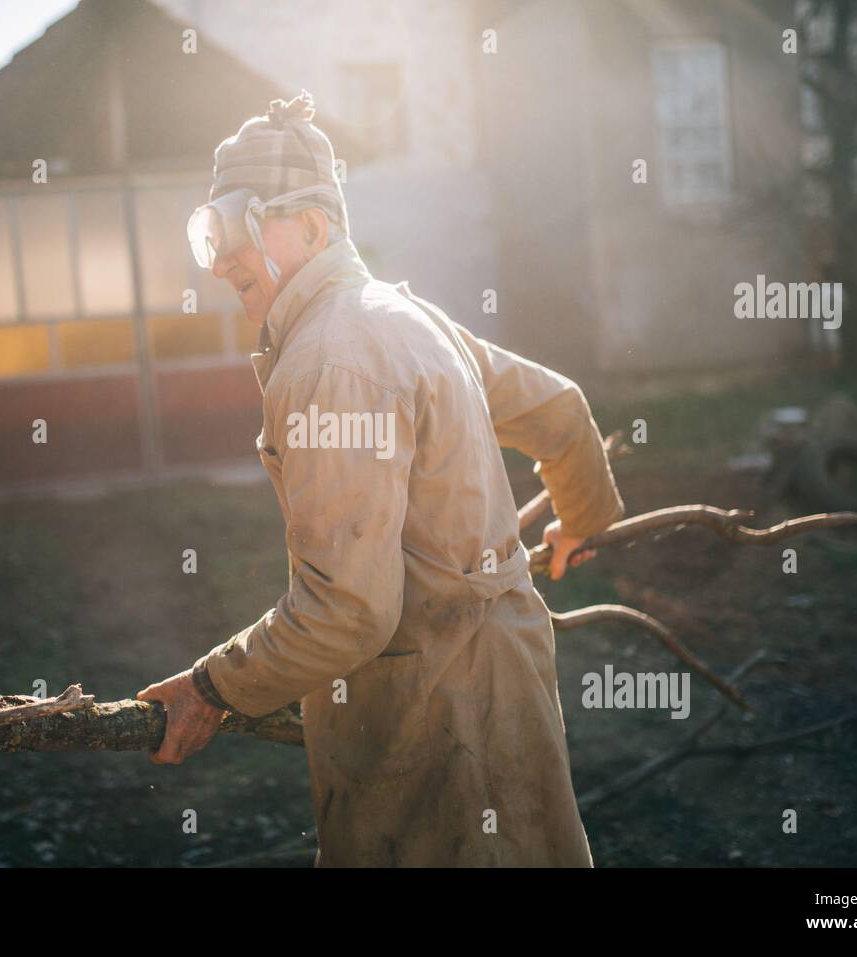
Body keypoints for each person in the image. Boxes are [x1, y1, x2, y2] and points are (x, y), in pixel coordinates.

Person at [137, 91, 624, 866]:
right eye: (207, 234)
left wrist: (212, 687)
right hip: (512, 692)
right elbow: (561, 413)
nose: (221, 258)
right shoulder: (409, 318)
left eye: (235, 224)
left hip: (435, 726)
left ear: (314, 226)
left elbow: (349, 612)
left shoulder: (332, 358)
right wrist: (583, 519)